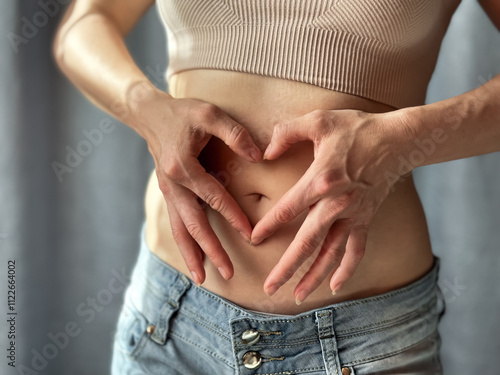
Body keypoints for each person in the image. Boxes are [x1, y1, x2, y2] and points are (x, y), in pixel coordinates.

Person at [53, 0, 500, 374]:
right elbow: (84, 25)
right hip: (169, 324)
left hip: (363, 344)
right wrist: (147, 110)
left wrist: (403, 139)